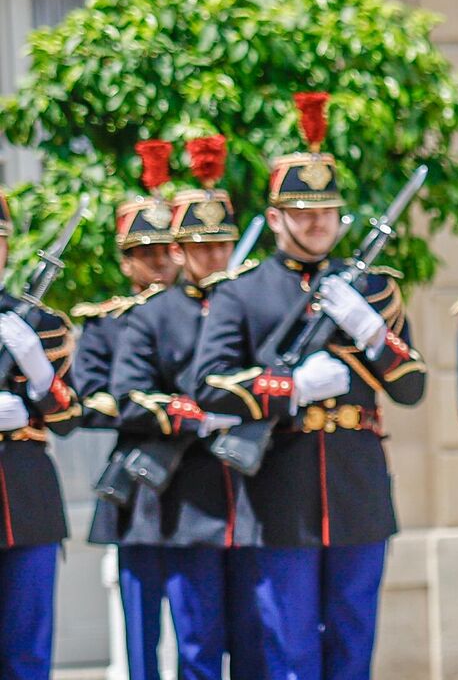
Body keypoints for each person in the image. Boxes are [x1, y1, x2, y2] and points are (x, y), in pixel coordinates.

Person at [191, 92, 428, 680]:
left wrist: (371, 330)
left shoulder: (369, 289)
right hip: (280, 486)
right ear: (275, 218)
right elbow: (210, 386)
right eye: (301, 210)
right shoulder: (241, 293)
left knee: (353, 641)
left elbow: (412, 387)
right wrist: (290, 388)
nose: (317, 222)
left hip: (357, 482)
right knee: (289, 647)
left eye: (326, 210)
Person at [102, 136, 263, 679]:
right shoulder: (154, 315)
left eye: (221, 244)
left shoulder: (253, 304)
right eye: (200, 245)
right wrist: (198, 414)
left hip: (255, 493)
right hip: (189, 498)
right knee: (197, 644)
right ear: (180, 249)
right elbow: (130, 396)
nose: (213, 255)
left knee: (255, 641)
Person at [74, 139, 182, 680]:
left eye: (166, 250)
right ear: (125, 260)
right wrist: (147, 406)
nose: (159, 262)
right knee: (140, 629)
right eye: (145, 252)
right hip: (139, 481)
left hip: (196, 474)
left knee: (200, 628)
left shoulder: (201, 313)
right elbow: (92, 401)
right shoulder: (105, 323)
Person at [0, 189, 83, 680]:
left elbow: (70, 420)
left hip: (26, 499)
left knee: (27, 652)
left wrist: (40, 377)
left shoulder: (41, 324)